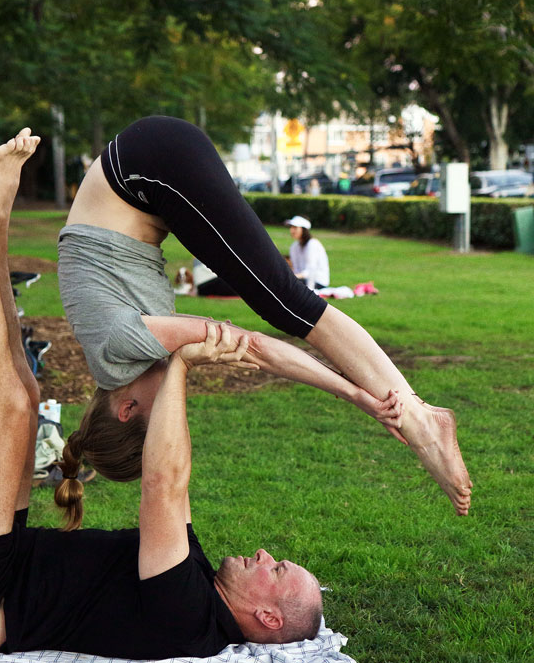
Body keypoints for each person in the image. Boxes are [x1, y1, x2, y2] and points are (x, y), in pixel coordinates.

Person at [0, 130, 323, 657]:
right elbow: (171, 477)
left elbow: (163, 482)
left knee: (2, 404)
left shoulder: (189, 619)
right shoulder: (196, 581)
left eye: (275, 568)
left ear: (266, 616)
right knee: (24, 397)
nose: (264, 553)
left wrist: (184, 365)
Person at [56, 116, 471, 521]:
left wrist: (357, 397)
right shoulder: (128, 357)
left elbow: (254, 345)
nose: (176, 407)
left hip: (147, 169)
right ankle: (420, 418)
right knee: (283, 302)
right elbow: (257, 353)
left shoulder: (117, 348)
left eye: (162, 415)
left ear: (127, 409)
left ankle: (423, 424)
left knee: (288, 304)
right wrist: (359, 396)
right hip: (148, 173)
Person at [285, 215, 330, 291]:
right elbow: (296, 268)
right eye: (291, 227)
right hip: (301, 280)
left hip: (317, 282)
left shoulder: (313, 244)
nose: (291, 231)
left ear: (303, 229)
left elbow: (310, 271)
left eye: (295, 228)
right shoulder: (294, 247)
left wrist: (293, 277)